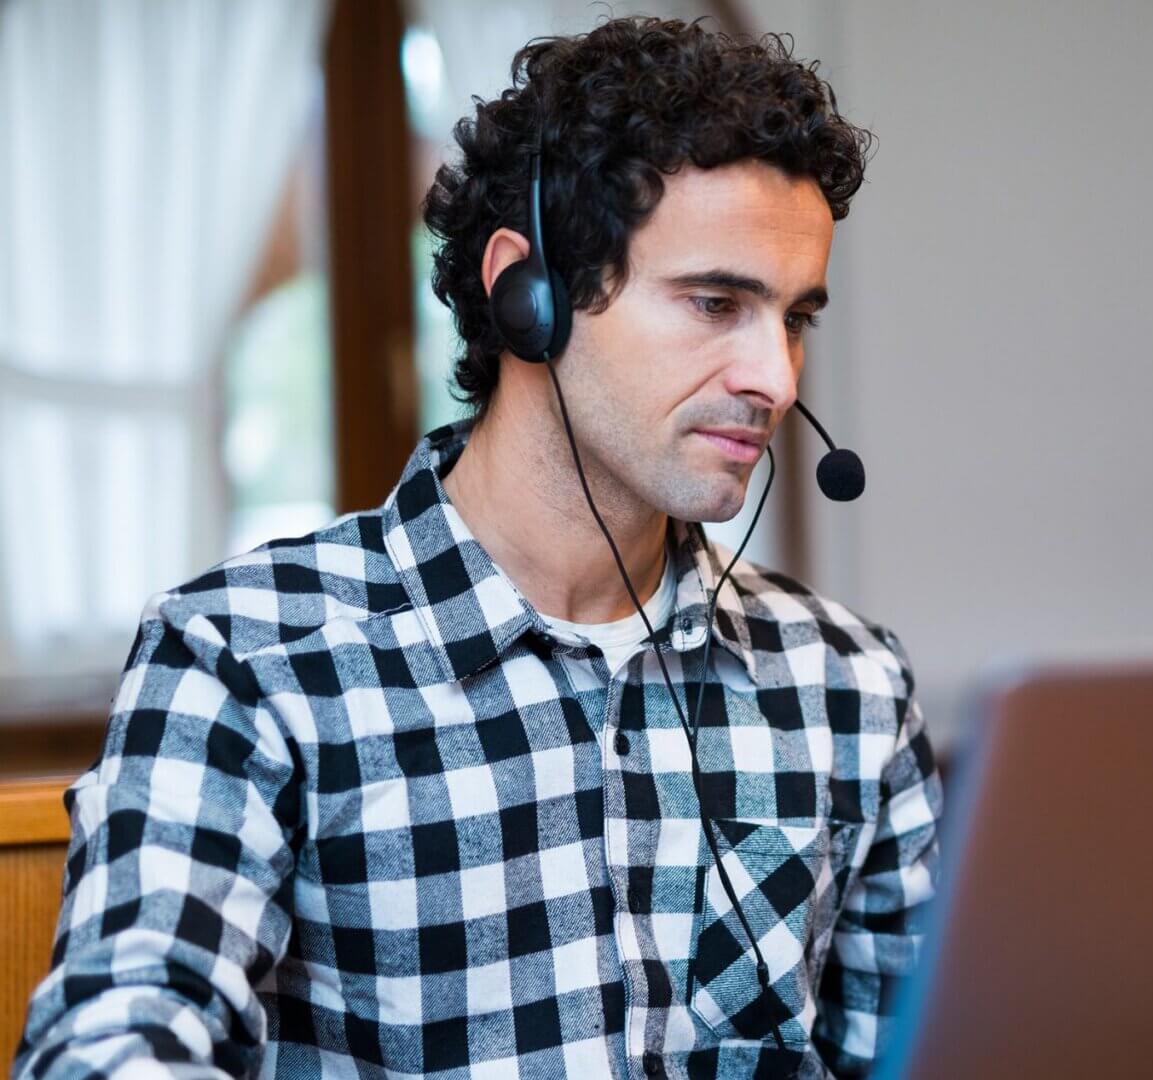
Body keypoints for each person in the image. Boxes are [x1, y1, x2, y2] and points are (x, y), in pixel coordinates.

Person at [15, 17, 941, 1080]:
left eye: (795, 320)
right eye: (716, 303)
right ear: (527, 293)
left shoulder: (849, 685)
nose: (776, 380)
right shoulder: (245, 662)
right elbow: (105, 1053)